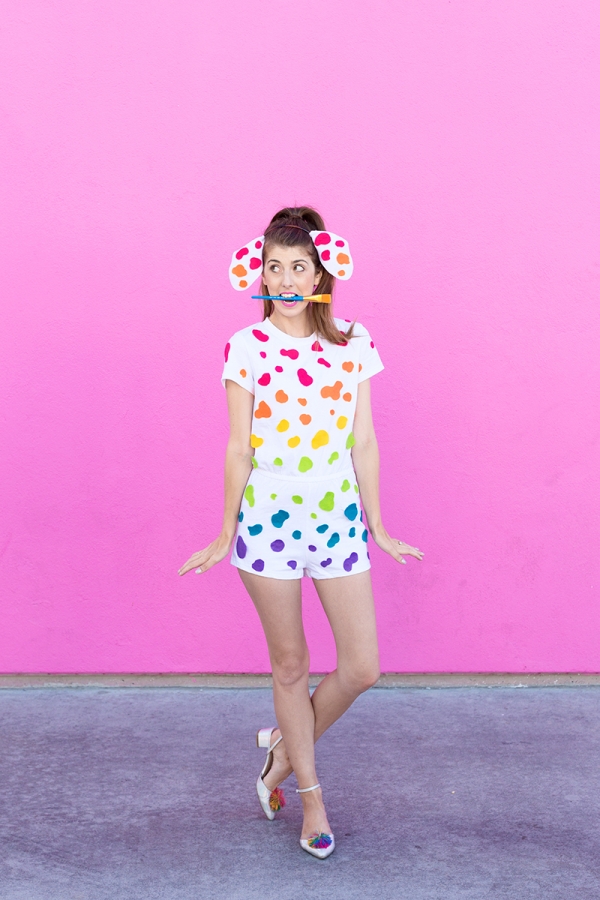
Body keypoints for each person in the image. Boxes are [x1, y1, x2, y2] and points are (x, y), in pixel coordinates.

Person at [178, 206, 424, 859]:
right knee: (290, 666)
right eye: (273, 267)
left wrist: (378, 524)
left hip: (337, 522)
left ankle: (283, 750)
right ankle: (309, 796)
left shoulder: (352, 341)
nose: (285, 280)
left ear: (322, 272)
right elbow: (238, 448)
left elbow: (363, 440)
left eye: (298, 267)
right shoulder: (245, 347)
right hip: (267, 528)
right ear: (256, 274)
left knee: (362, 666)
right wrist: (224, 529)